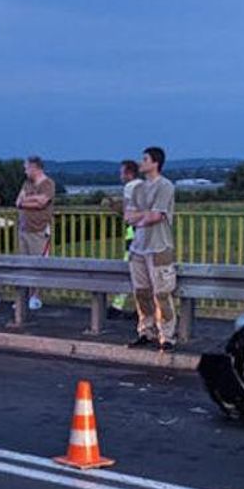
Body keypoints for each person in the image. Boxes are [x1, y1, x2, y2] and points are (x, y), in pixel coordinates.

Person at [124, 147, 178, 352]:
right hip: (139, 247)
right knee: (141, 292)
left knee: (162, 293)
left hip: (159, 246)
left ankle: (167, 335)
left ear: (155, 163)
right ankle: (146, 331)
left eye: (145, 159)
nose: (141, 162)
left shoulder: (165, 186)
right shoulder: (138, 188)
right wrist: (143, 216)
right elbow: (129, 216)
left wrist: (141, 216)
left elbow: (157, 216)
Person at [15, 156, 55, 311]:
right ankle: (23, 298)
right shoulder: (27, 183)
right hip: (24, 229)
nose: (25, 172)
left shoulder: (48, 184)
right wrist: (30, 201)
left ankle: (36, 297)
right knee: (23, 265)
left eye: (26, 168)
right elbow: (18, 201)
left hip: (39, 230)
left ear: (34, 168)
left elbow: (42, 202)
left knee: (38, 265)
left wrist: (26, 201)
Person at [102, 160, 140, 318]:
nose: (120, 176)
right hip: (144, 233)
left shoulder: (130, 187)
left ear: (128, 173)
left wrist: (112, 205)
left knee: (127, 270)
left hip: (133, 232)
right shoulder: (143, 185)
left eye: (121, 172)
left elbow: (126, 212)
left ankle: (117, 307)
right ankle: (142, 308)